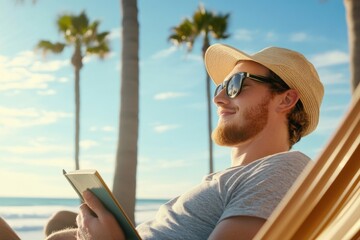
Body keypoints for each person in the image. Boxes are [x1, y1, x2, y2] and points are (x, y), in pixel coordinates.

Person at [1, 43, 324, 240]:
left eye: (237, 84)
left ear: (286, 100)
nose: (220, 98)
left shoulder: (281, 170)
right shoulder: (236, 179)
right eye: (219, 87)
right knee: (60, 220)